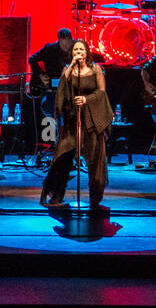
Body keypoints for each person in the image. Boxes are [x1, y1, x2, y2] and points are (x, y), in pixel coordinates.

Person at [40, 39, 112, 212]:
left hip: (92, 120)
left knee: (95, 160)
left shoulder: (96, 69)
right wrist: (71, 67)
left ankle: (95, 199)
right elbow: (62, 91)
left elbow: (101, 91)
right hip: (73, 119)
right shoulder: (68, 70)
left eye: (81, 49)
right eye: (75, 49)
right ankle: (55, 194)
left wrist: (87, 99)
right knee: (62, 156)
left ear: (87, 52)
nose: (78, 52)